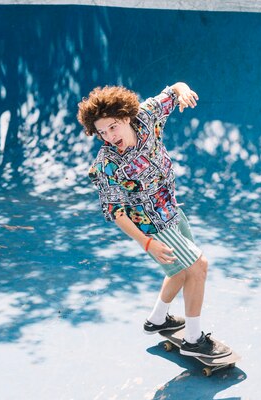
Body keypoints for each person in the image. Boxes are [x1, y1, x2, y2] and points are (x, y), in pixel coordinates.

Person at [77, 83, 230, 358]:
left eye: (113, 127)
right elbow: (117, 213)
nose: (109, 136)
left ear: (125, 117)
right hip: (150, 224)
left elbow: (173, 90)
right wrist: (147, 243)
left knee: (181, 271)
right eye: (101, 132)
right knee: (198, 267)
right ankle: (194, 340)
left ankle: (157, 320)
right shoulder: (106, 164)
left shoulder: (145, 117)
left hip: (171, 208)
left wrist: (183, 91)